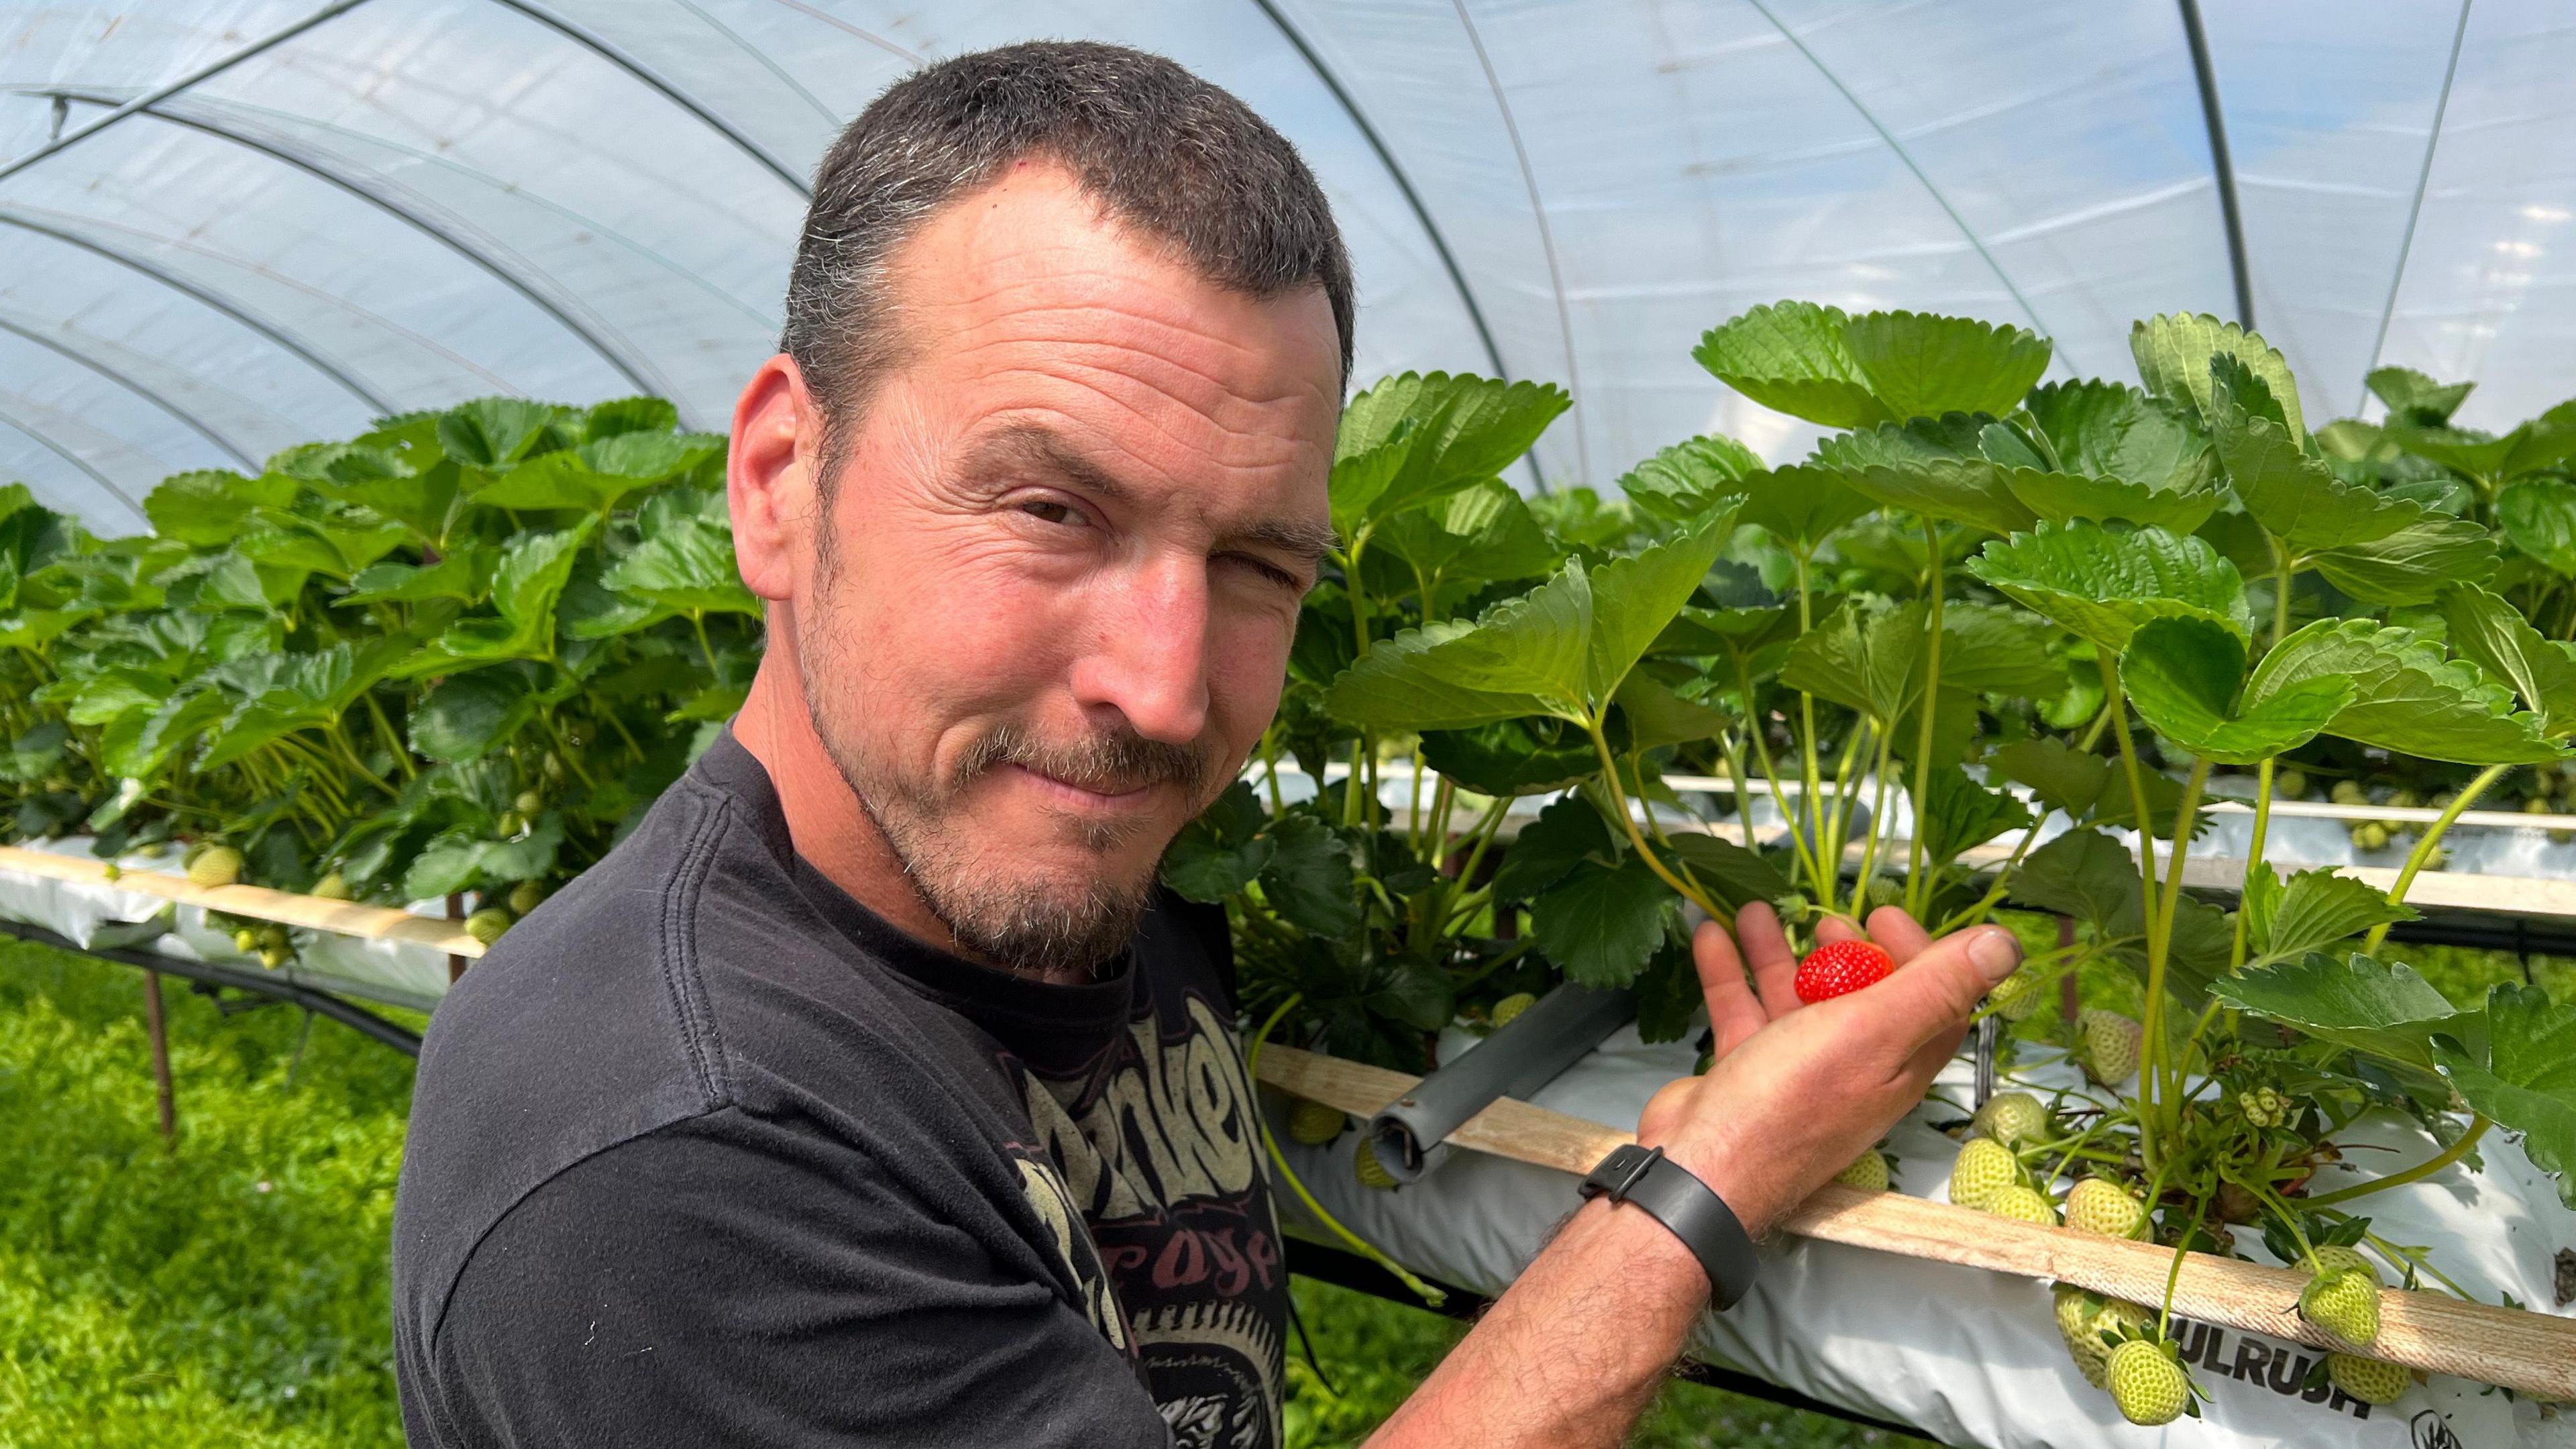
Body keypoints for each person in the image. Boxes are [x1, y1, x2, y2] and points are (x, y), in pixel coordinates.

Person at [391, 39, 2023, 1449]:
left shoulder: (1060, 871)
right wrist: (1709, 1188)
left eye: (1258, 565)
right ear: (776, 483)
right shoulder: (677, 1153)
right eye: (1049, 508)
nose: (1166, 694)